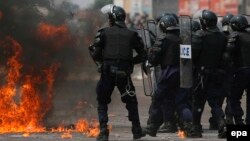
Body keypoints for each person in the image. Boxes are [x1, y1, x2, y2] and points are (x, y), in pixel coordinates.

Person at [89, 5, 146, 141]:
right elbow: (143, 54)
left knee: (102, 101)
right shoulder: (132, 34)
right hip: (124, 74)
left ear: (112, 18)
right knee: (131, 101)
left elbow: (95, 53)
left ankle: (103, 132)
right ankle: (137, 131)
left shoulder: (103, 32)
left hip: (107, 73)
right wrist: (131, 62)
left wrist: (101, 63)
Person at [144, 15, 192, 137]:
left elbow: (153, 60)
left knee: (158, 99)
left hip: (168, 73)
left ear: (163, 26)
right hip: (183, 72)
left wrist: (150, 53)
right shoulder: (184, 38)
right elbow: (187, 58)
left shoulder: (163, 39)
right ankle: (188, 125)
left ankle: (152, 127)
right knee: (182, 102)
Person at [189, 10, 227, 138]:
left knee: (198, 102)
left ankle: (195, 129)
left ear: (204, 22)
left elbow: (192, 55)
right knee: (214, 102)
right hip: (216, 74)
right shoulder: (222, 36)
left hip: (202, 75)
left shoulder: (200, 35)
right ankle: (222, 124)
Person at [226, 14, 250, 125]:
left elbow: (228, 54)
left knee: (234, 97)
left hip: (240, 71)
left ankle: (239, 121)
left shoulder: (235, 36)